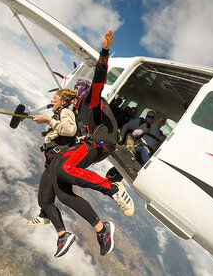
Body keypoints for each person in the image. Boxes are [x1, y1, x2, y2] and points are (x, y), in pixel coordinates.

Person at [29, 30, 134, 257]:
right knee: (57, 196)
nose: (76, 94)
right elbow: (70, 131)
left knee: (65, 169)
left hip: (96, 143)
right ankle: (99, 230)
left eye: (78, 91)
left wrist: (104, 52)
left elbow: (98, 82)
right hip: (86, 145)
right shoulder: (77, 111)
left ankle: (112, 188)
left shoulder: (91, 101)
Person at [31, 88, 78, 258]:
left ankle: (62, 234)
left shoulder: (65, 111)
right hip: (53, 161)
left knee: (47, 199)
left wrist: (49, 120)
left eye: (55, 98)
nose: (52, 100)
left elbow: (70, 130)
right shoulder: (61, 113)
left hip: (57, 161)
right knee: (44, 199)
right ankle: (46, 215)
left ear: (63, 102)